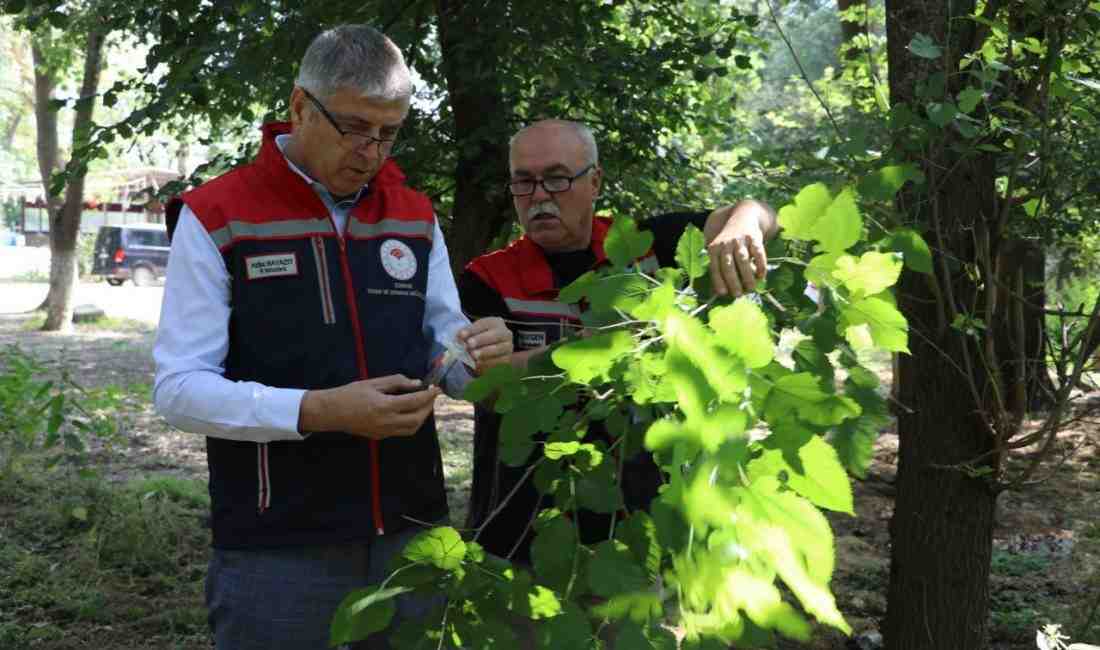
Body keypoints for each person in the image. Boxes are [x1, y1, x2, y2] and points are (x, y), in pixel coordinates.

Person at [152, 25, 512, 650]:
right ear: (299, 107)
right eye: (353, 127)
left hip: (412, 530)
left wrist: (474, 354)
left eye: (389, 133)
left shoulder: (413, 214)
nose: (371, 151)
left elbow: (440, 343)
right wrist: (319, 411)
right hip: (277, 546)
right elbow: (180, 390)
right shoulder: (218, 214)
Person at [458, 119, 777, 563]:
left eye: (556, 178)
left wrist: (744, 224)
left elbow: (759, 212)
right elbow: (486, 387)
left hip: (636, 541)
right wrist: (587, 352)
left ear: (595, 182)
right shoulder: (486, 278)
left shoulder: (643, 248)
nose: (539, 196)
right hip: (519, 539)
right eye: (523, 182)